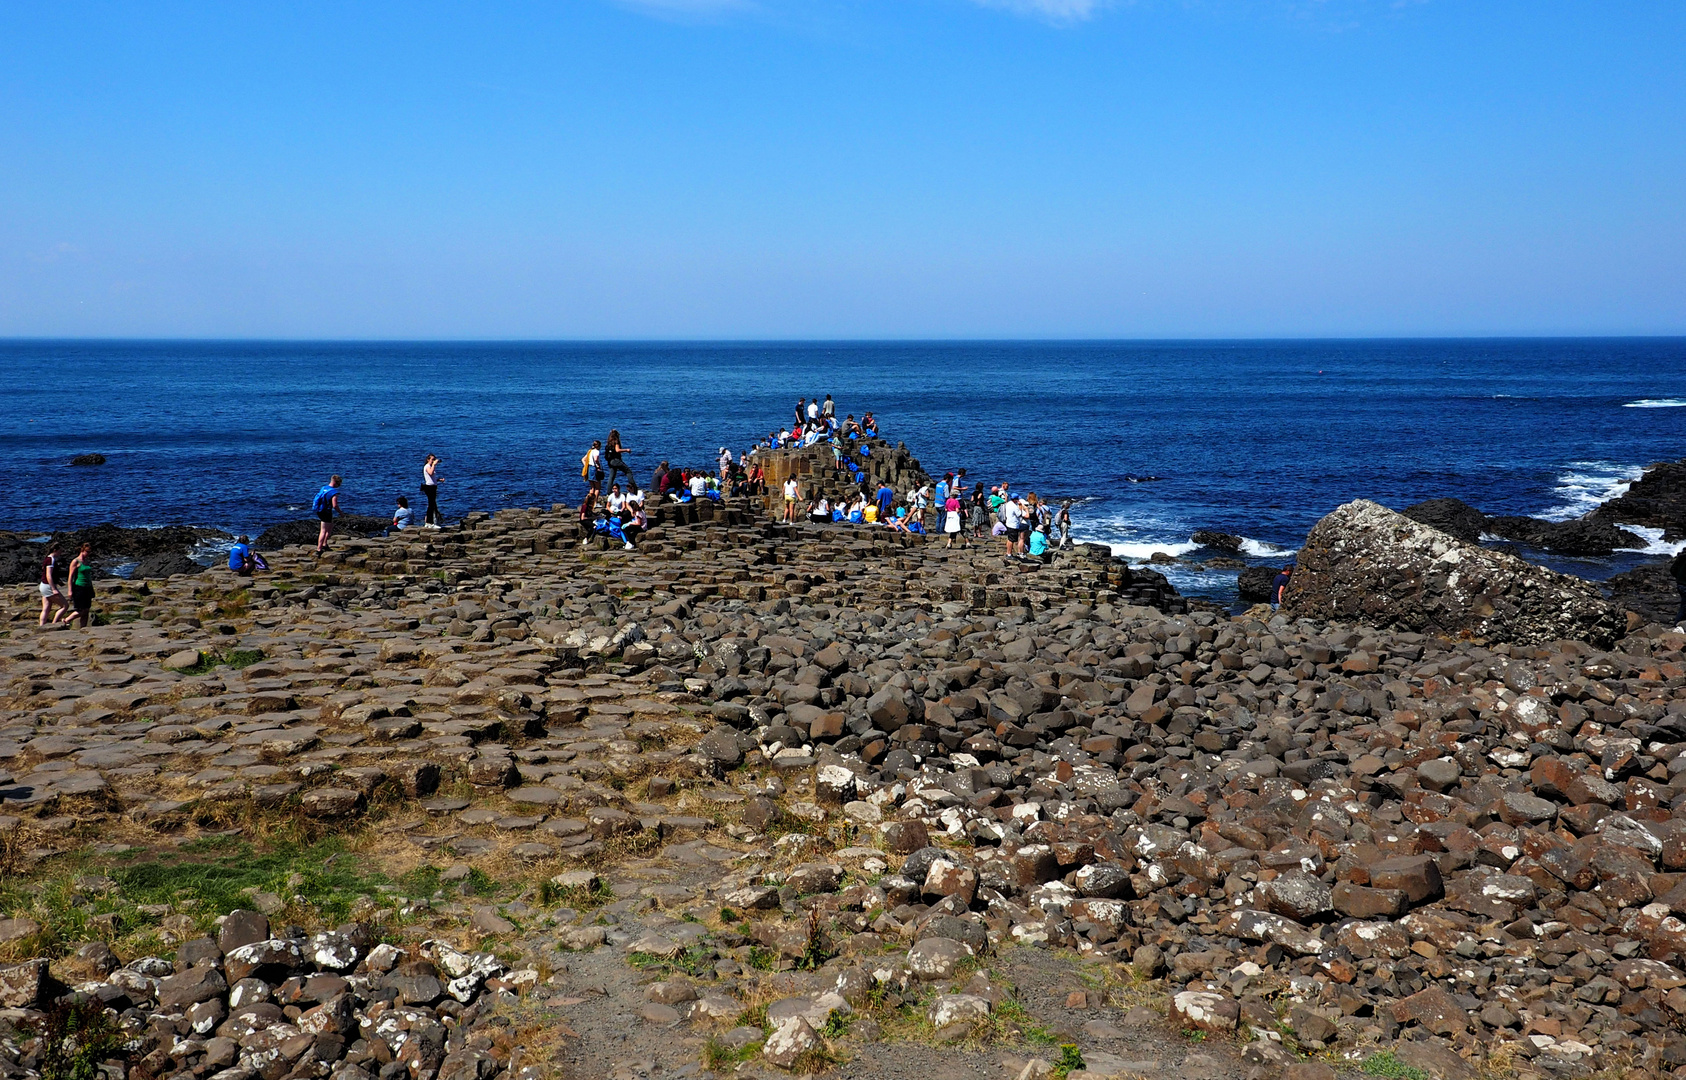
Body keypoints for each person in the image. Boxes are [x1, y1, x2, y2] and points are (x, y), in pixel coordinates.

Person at [65, 543, 95, 629]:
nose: (88, 554)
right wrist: (70, 590)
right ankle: (67, 620)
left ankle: (83, 628)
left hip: (88, 587)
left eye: (90, 552)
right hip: (79, 587)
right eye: (87, 552)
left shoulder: (86, 561)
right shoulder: (76, 561)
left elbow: (88, 576)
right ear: (82, 550)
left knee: (87, 610)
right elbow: (70, 577)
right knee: (81, 610)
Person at [38, 545, 68, 625]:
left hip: (43, 585)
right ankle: (54, 624)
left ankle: (42, 626)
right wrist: (53, 588)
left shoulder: (47, 559)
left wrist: (58, 582)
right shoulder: (50, 559)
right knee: (65, 606)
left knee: (46, 608)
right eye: (60, 551)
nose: (60, 553)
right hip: (48, 586)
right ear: (55, 550)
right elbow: (48, 575)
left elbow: (51, 574)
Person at [312, 475, 342, 556]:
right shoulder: (333, 493)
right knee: (323, 530)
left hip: (320, 510)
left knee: (330, 526)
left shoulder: (324, 488)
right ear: (336, 483)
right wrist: (340, 513)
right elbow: (335, 505)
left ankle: (325, 544)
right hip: (326, 512)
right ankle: (319, 549)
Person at [1001, 493, 1027, 561]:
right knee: (1011, 540)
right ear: (1015, 499)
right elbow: (1019, 514)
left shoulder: (1008, 504)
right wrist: (1020, 506)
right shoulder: (1014, 506)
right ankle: (1009, 554)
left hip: (1008, 523)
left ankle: (1008, 553)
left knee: (1009, 539)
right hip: (1013, 525)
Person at [421, 454, 442, 528]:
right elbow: (430, 473)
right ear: (428, 459)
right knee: (431, 505)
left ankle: (433, 521)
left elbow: (431, 478)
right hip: (429, 488)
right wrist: (434, 465)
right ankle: (429, 522)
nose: (433, 461)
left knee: (433, 504)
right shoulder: (427, 466)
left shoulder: (430, 467)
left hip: (433, 487)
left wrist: (439, 480)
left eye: (434, 459)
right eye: (432, 459)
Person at [1672, 549, 1686, 629]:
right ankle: (1676, 626)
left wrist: (1679, 578)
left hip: (1680, 584)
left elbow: (1672, 570)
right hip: (1684, 585)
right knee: (1684, 608)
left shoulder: (1681, 557)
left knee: (1684, 606)